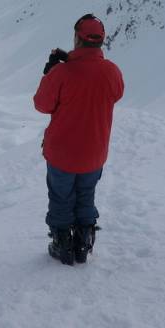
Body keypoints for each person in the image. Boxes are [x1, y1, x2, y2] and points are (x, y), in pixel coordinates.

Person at [33, 13, 124, 265]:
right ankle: (83, 241)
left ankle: (62, 243)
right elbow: (116, 94)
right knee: (86, 195)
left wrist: (52, 71)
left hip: (62, 154)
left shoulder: (62, 73)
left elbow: (41, 105)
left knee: (61, 197)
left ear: (77, 38)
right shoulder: (112, 72)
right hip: (94, 153)